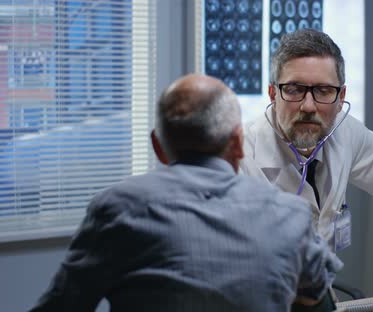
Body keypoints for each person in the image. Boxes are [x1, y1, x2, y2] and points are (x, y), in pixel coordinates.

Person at [30, 73, 342, 312]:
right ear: (237, 143)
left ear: (158, 147)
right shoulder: (289, 213)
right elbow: (319, 300)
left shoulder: (118, 207)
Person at [239, 28, 373, 296]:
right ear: (273, 94)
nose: (309, 106)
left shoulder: (346, 134)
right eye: (295, 89)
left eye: (323, 91)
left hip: (319, 297)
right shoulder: (239, 154)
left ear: (341, 97)